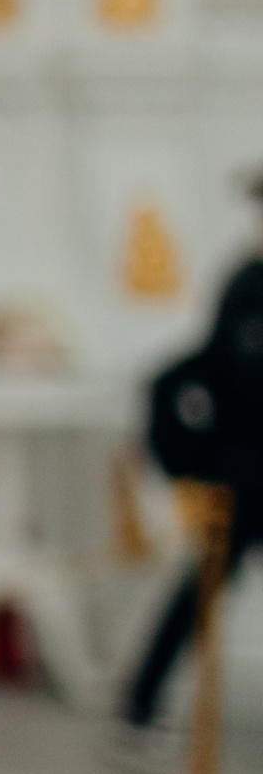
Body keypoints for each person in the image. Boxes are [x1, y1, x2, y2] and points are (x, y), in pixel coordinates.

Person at [124, 173, 263, 730]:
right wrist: (187, 461)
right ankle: (139, 704)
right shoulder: (246, 286)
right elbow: (203, 372)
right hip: (242, 478)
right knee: (198, 589)